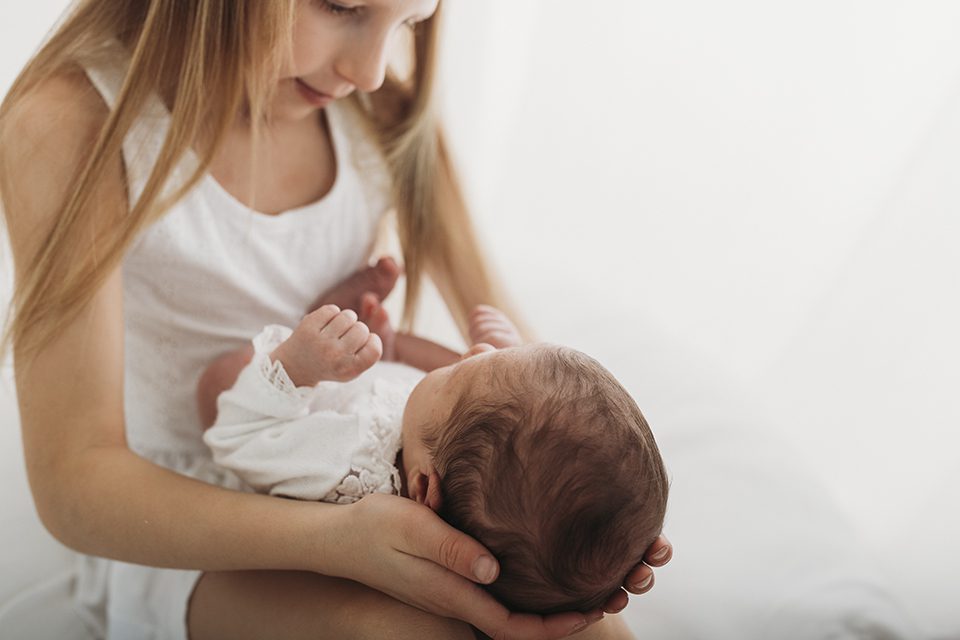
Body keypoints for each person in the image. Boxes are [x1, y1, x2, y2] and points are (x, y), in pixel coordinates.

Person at [0, 1, 672, 638]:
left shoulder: (378, 107)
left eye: (408, 19)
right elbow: (76, 487)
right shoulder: (72, 124)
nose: (372, 69)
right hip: (181, 523)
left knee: (588, 626)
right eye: (343, 7)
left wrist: (583, 518)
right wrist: (346, 545)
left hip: (371, 490)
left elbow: (516, 363)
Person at [199, 296, 669, 618]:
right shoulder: (443, 450)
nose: (474, 349)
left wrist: (299, 367)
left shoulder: (344, 468)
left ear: (422, 488)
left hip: (265, 422)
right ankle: (357, 335)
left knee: (218, 378)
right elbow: (494, 417)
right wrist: (508, 368)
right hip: (372, 393)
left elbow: (238, 436)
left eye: (458, 372)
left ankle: (318, 343)